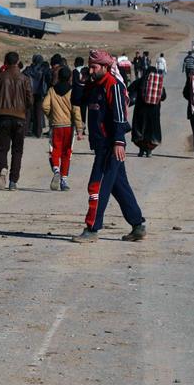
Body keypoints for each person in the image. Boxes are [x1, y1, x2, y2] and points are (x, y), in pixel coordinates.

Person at [74, 50, 146, 243]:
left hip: (110, 146)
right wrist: (81, 81)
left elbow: (120, 117)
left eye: (94, 67)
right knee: (119, 186)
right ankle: (138, 225)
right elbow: (77, 101)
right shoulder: (93, 85)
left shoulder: (112, 85)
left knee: (96, 185)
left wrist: (119, 142)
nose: (91, 70)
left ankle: (92, 228)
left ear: (105, 67)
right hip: (101, 145)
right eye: (90, 66)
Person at [0, 51, 32, 190]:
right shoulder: (24, 79)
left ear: (5, 63)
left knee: (2, 148)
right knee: (17, 151)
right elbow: (30, 100)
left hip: (2, 117)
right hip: (20, 118)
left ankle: (3, 168)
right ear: (17, 61)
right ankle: (13, 182)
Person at [42, 68, 83, 190]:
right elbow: (76, 110)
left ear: (58, 77)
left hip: (56, 126)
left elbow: (44, 106)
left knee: (55, 150)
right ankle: (64, 180)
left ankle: (56, 170)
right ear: (70, 77)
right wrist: (80, 128)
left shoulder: (52, 90)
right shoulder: (72, 92)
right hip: (69, 127)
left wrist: (51, 116)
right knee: (66, 152)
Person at [129, 66, 166, 157]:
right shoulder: (158, 83)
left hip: (140, 111)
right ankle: (149, 150)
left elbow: (129, 89)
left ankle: (141, 150)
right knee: (152, 131)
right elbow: (163, 97)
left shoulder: (140, 81)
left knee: (140, 130)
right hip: (154, 112)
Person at [23, 54, 51, 138]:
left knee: (28, 112)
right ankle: (38, 132)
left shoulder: (28, 69)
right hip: (40, 93)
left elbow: (23, 76)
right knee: (39, 113)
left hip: (30, 92)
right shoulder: (44, 70)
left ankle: (25, 131)